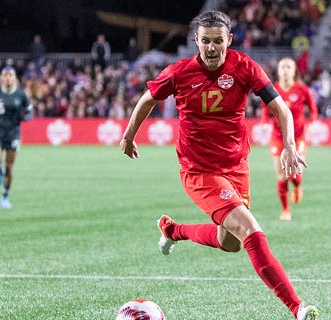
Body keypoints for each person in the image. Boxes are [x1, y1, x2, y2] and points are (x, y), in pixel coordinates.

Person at [120, 11, 318, 320]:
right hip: (200, 172)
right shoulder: (179, 72)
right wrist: (129, 135)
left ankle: (173, 230)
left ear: (229, 40)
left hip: (237, 168)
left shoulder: (244, 66)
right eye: (205, 41)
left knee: (231, 243)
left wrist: (290, 144)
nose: (212, 48)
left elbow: (280, 107)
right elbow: (147, 99)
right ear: (195, 41)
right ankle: (297, 306)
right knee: (251, 230)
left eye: (218, 41)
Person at [261, 57, 318, 221]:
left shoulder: (302, 89)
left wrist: (312, 122)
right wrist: (265, 123)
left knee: (295, 173)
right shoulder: (272, 89)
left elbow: (313, 109)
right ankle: (285, 210)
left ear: (294, 71)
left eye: (288, 67)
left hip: (298, 136)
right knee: (281, 174)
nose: (285, 69)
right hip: (278, 137)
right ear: (278, 70)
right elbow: (265, 110)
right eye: (282, 67)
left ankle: (298, 186)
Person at [0, 66, 32, 209]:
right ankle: (1, 172)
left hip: (13, 133)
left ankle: (5, 196)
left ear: (15, 78)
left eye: (10, 75)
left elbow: (30, 111)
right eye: (5, 75)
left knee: (9, 165)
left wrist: (25, 117)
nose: (8, 77)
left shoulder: (21, 95)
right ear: (2, 78)